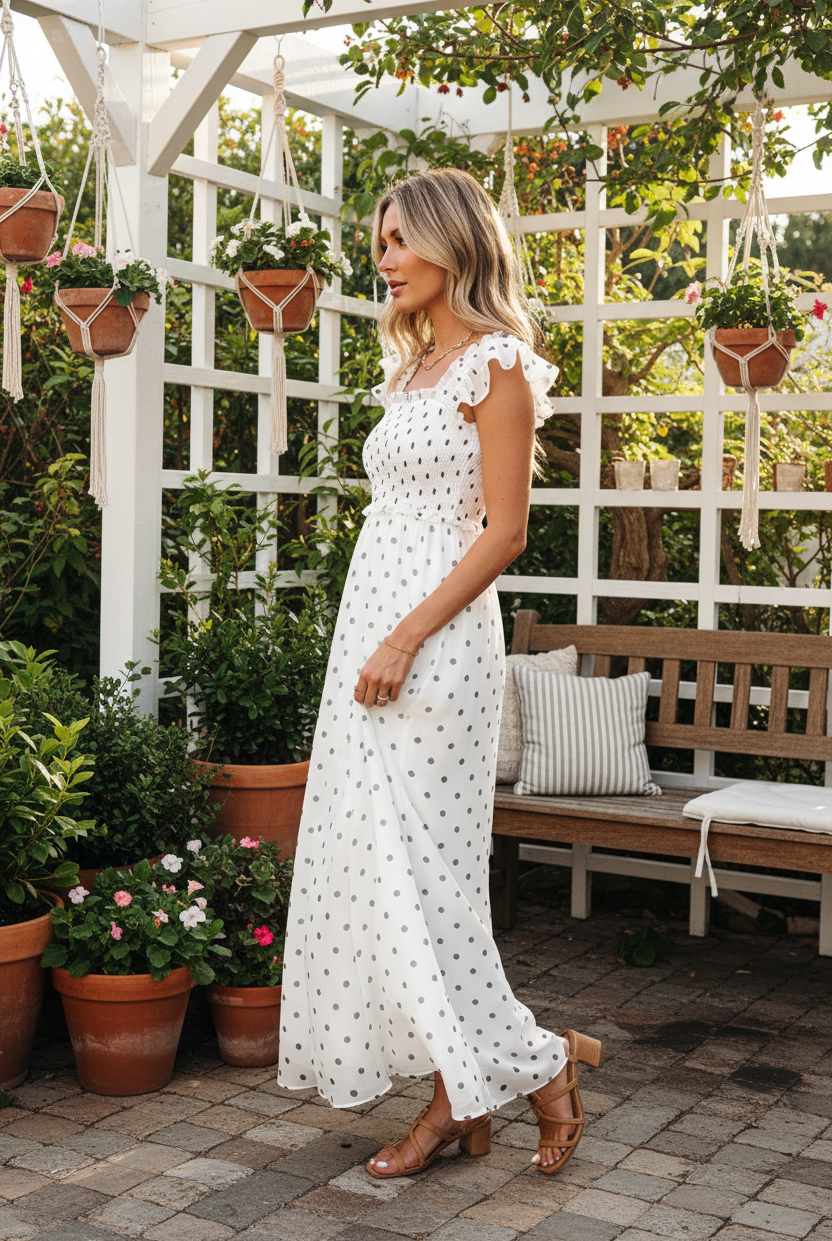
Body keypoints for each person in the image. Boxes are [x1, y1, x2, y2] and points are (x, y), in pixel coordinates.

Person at [278, 168, 601, 1177]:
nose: (381, 259)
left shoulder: (498, 366)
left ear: (452, 245)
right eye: (377, 243)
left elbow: (502, 533)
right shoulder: (409, 371)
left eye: (396, 241)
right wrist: (372, 636)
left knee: (426, 885)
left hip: (432, 644)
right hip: (371, 635)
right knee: (375, 874)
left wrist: (404, 636)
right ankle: (471, 1093)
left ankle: (535, 1070)